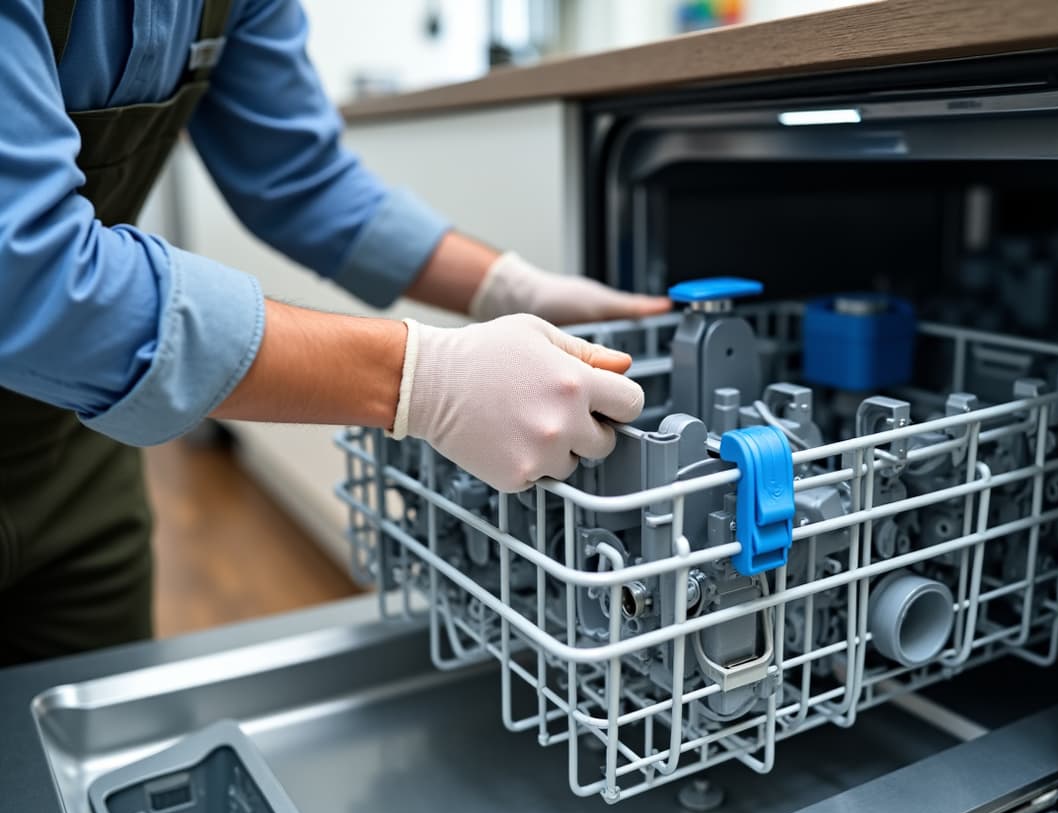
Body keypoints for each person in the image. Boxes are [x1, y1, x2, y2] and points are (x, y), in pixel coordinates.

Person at [0, 0, 671, 665]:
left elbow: (300, 178)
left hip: (74, 444)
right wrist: (425, 380)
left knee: (82, 727)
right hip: (64, 369)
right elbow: (27, 274)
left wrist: (511, 286)